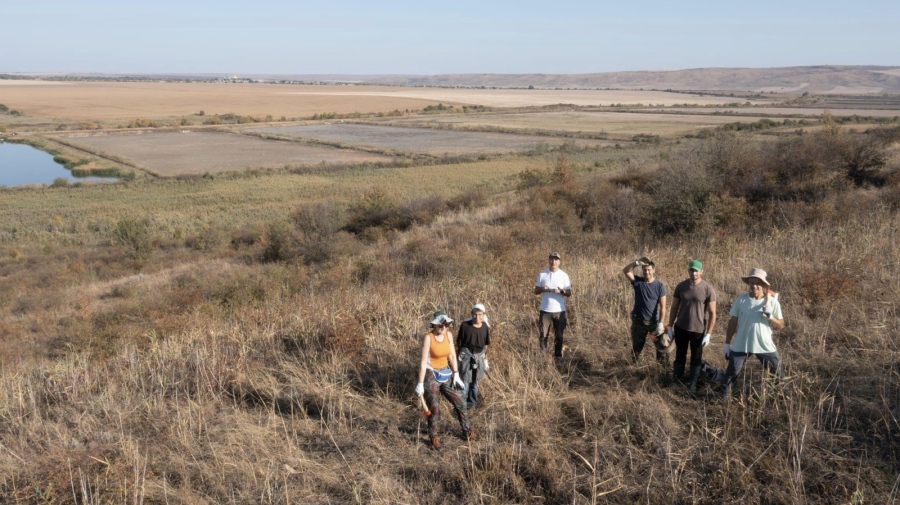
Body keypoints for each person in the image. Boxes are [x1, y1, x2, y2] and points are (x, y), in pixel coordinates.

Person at [721, 268, 785, 398]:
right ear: (748, 283)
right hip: (741, 343)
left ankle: (778, 400)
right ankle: (723, 401)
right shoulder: (741, 300)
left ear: (764, 285)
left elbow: (781, 325)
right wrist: (727, 343)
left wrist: (770, 316)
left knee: (778, 373)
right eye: (752, 282)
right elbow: (732, 322)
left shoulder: (772, 302)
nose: (755, 286)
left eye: (758, 283)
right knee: (731, 373)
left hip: (764, 344)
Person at [415, 310, 473, 449]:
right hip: (431, 373)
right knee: (434, 408)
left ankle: (467, 431)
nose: (444, 327)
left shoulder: (448, 335)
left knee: (460, 401)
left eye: (447, 325)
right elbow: (423, 362)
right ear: (434, 325)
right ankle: (434, 437)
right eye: (441, 325)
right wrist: (421, 383)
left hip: (446, 373)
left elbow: (452, 356)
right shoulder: (428, 338)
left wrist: (456, 374)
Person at [667, 259, 717, 393]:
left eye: (696, 270)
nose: (693, 273)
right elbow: (674, 308)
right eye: (691, 270)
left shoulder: (707, 289)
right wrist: (670, 327)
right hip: (681, 327)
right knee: (680, 355)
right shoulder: (681, 286)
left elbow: (713, 313)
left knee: (696, 357)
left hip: (698, 330)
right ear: (688, 270)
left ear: (701, 272)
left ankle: (693, 384)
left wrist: (708, 334)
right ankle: (676, 380)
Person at [622, 256, 668, 364]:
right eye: (644, 270)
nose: (646, 272)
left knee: (662, 347)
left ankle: (662, 370)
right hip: (638, 322)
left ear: (653, 270)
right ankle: (635, 368)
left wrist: (660, 324)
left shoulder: (660, 286)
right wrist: (637, 262)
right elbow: (626, 271)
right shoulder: (638, 282)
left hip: (653, 322)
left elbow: (663, 307)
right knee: (637, 348)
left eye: (649, 270)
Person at [534, 252, 572, 358]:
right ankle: (543, 357)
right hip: (545, 310)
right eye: (551, 259)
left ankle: (558, 357)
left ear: (559, 262)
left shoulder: (564, 275)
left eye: (556, 260)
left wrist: (561, 291)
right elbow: (536, 291)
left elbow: (569, 293)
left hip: (559, 310)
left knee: (559, 336)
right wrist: (542, 289)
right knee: (543, 335)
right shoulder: (542, 274)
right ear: (549, 260)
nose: (553, 262)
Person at [456, 303, 491, 409]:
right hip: (466, 356)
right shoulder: (465, 326)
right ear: (471, 314)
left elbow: (486, 344)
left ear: (483, 315)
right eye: (475, 314)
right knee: (465, 382)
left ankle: (471, 404)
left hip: (479, 356)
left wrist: (485, 359)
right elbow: (458, 343)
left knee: (475, 383)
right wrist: (456, 358)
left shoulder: (485, 327)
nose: (477, 317)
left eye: (480, 314)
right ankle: (460, 406)